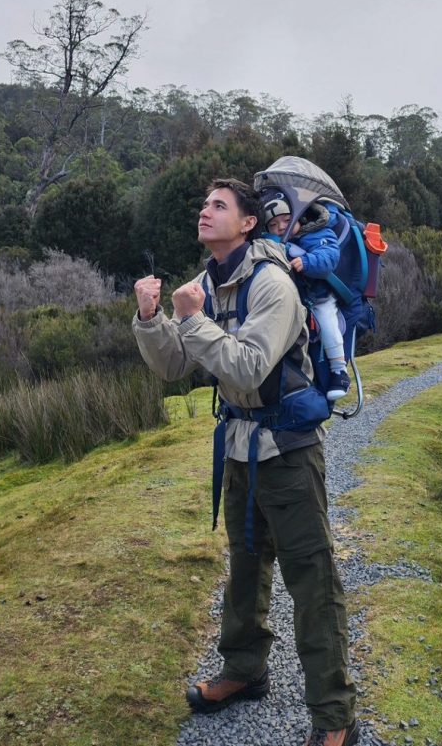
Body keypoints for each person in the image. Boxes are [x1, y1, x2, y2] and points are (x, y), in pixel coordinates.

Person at [133, 178, 358, 746]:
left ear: (249, 222)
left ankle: (334, 717)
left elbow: (248, 367)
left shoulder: (273, 284)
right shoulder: (206, 282)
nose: (204, 211)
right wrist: (153, 318)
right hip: (238, 450)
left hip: (287, 453)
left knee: (311, 581)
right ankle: (244, 671)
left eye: (218, 205)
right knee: (245, 570)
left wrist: (192, 318)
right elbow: (173, 367)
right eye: (202, 203)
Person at [263, 193, 351, 401]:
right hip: (294, 302)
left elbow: (330, 256)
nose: (281, 227)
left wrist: (308, 262)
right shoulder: (273, 244)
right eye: (274, 224)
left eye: (286, 219)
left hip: (319, 296)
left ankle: (340, 371)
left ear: (299, 217)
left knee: (328, 323)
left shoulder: (317, 233)